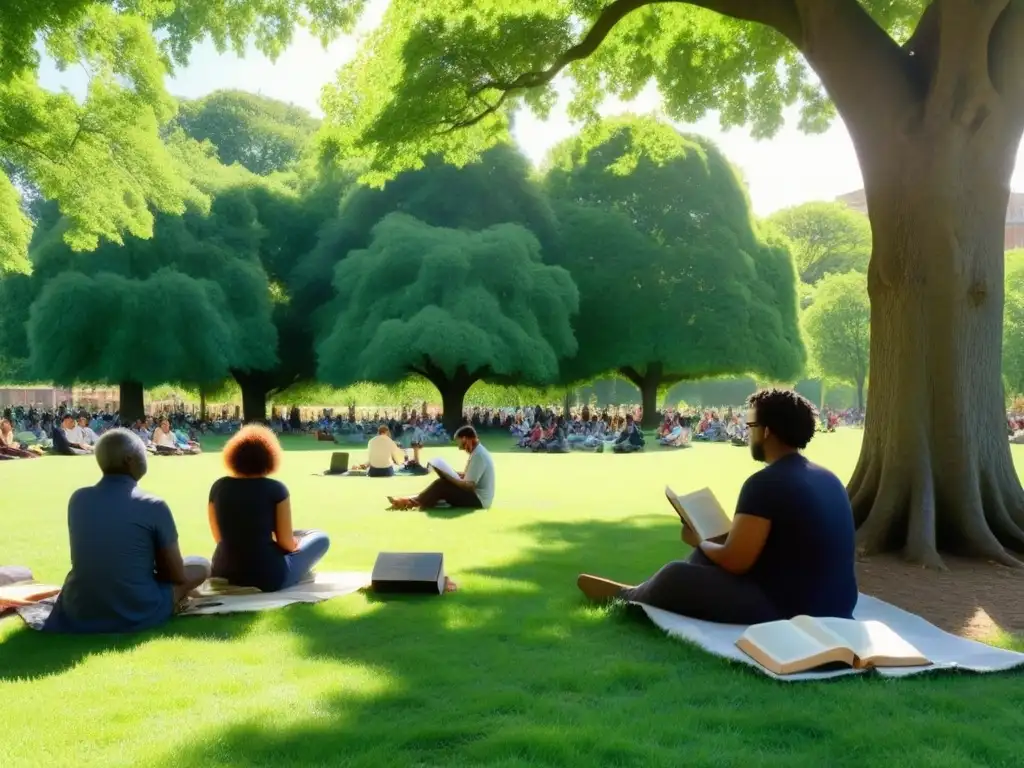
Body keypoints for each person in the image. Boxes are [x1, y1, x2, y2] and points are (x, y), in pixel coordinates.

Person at [577, 388, 858, 624]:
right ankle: (645, 591)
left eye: (750, 427)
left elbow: (737, 562)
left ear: (767, 432)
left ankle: (630, 597)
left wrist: (700, 540)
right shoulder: (828, 477)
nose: (748, 435)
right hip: (838, 602)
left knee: (676, 575)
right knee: (703, 560)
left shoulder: (765, 483)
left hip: (790, 609)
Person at [44, 429, 210, 633]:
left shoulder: (78, 499)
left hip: (80, 606)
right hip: (137, 608)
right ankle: (168, 604)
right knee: (201, 565)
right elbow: (176, 574)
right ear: (130, 460)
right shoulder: (153, 505)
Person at [208, 425, 330, 591]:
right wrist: (293, 542)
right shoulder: (276, 489)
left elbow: (219, 538)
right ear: (269, 457)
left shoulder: (218, 487)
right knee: (320, 537)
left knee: (296, 535)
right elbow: (287, 544)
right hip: (267, 576)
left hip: (223, 572)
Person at [387, 426, 495, 511]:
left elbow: (469, 486)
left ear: (465, 439)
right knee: (441, 484)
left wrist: (448, 476)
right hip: (477, 497)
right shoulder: (477, 453)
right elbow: (468, 477)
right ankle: (411, 500)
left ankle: (409, 502)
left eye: (459, 443)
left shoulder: (478, 455)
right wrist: (450, 473)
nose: (459, 447)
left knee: (441, 485)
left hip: (480, 500)